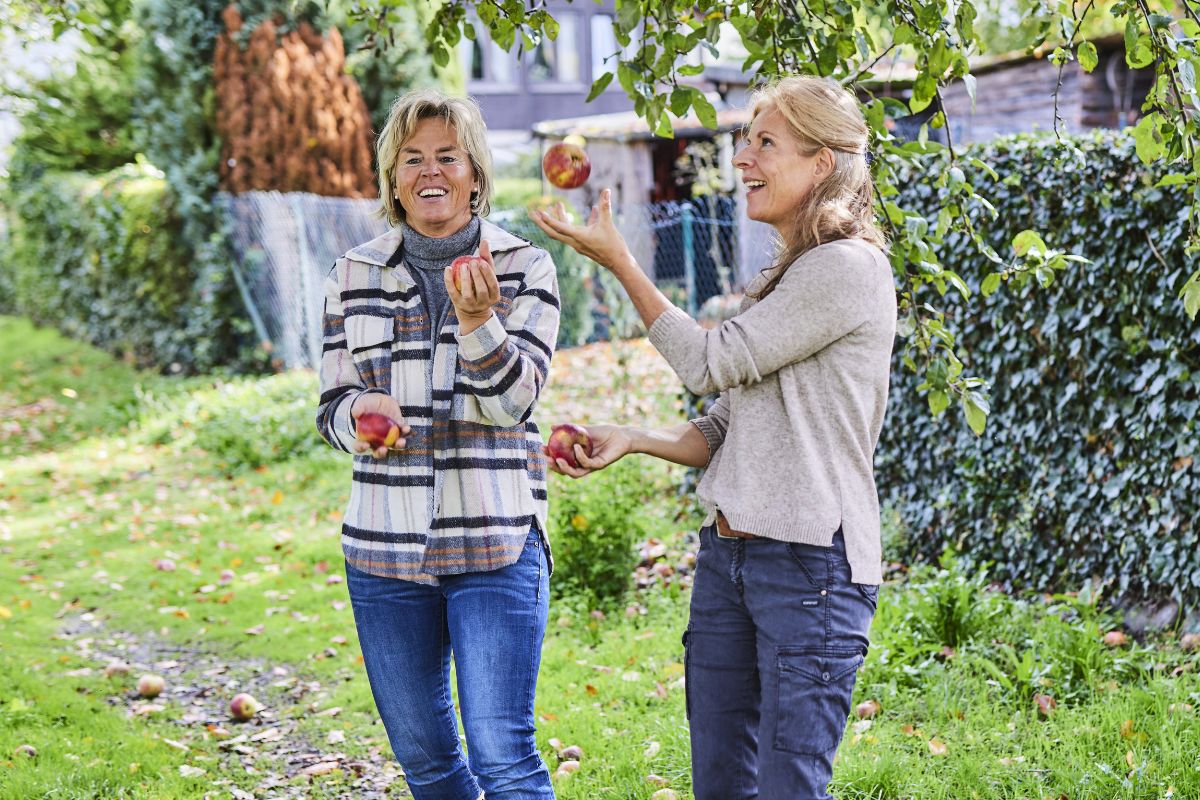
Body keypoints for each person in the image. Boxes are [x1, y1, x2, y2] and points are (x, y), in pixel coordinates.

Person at [531, 75, 896, 800]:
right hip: (731, 556)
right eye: (744, 141)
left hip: (809, 570)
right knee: (721, 788)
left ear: (821, 163)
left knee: (789, 788)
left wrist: (621, 262)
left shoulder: (844, 270)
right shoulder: (790, 277)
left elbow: (706, 363)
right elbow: (727, 423)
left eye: (765, 143)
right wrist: (636, 438)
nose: (742, 159)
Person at [315, 88, 560, 800]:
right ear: (393, 178)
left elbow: (514, 401)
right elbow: (331, 405)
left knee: (502, 756)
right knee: (426, 761)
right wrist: (360, 413)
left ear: (476, 175)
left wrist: (480, 321)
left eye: (447, 157)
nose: (431, 171)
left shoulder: (523, 269)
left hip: (494, 537)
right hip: (385, 552)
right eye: (412, 158)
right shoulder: (353, 274)